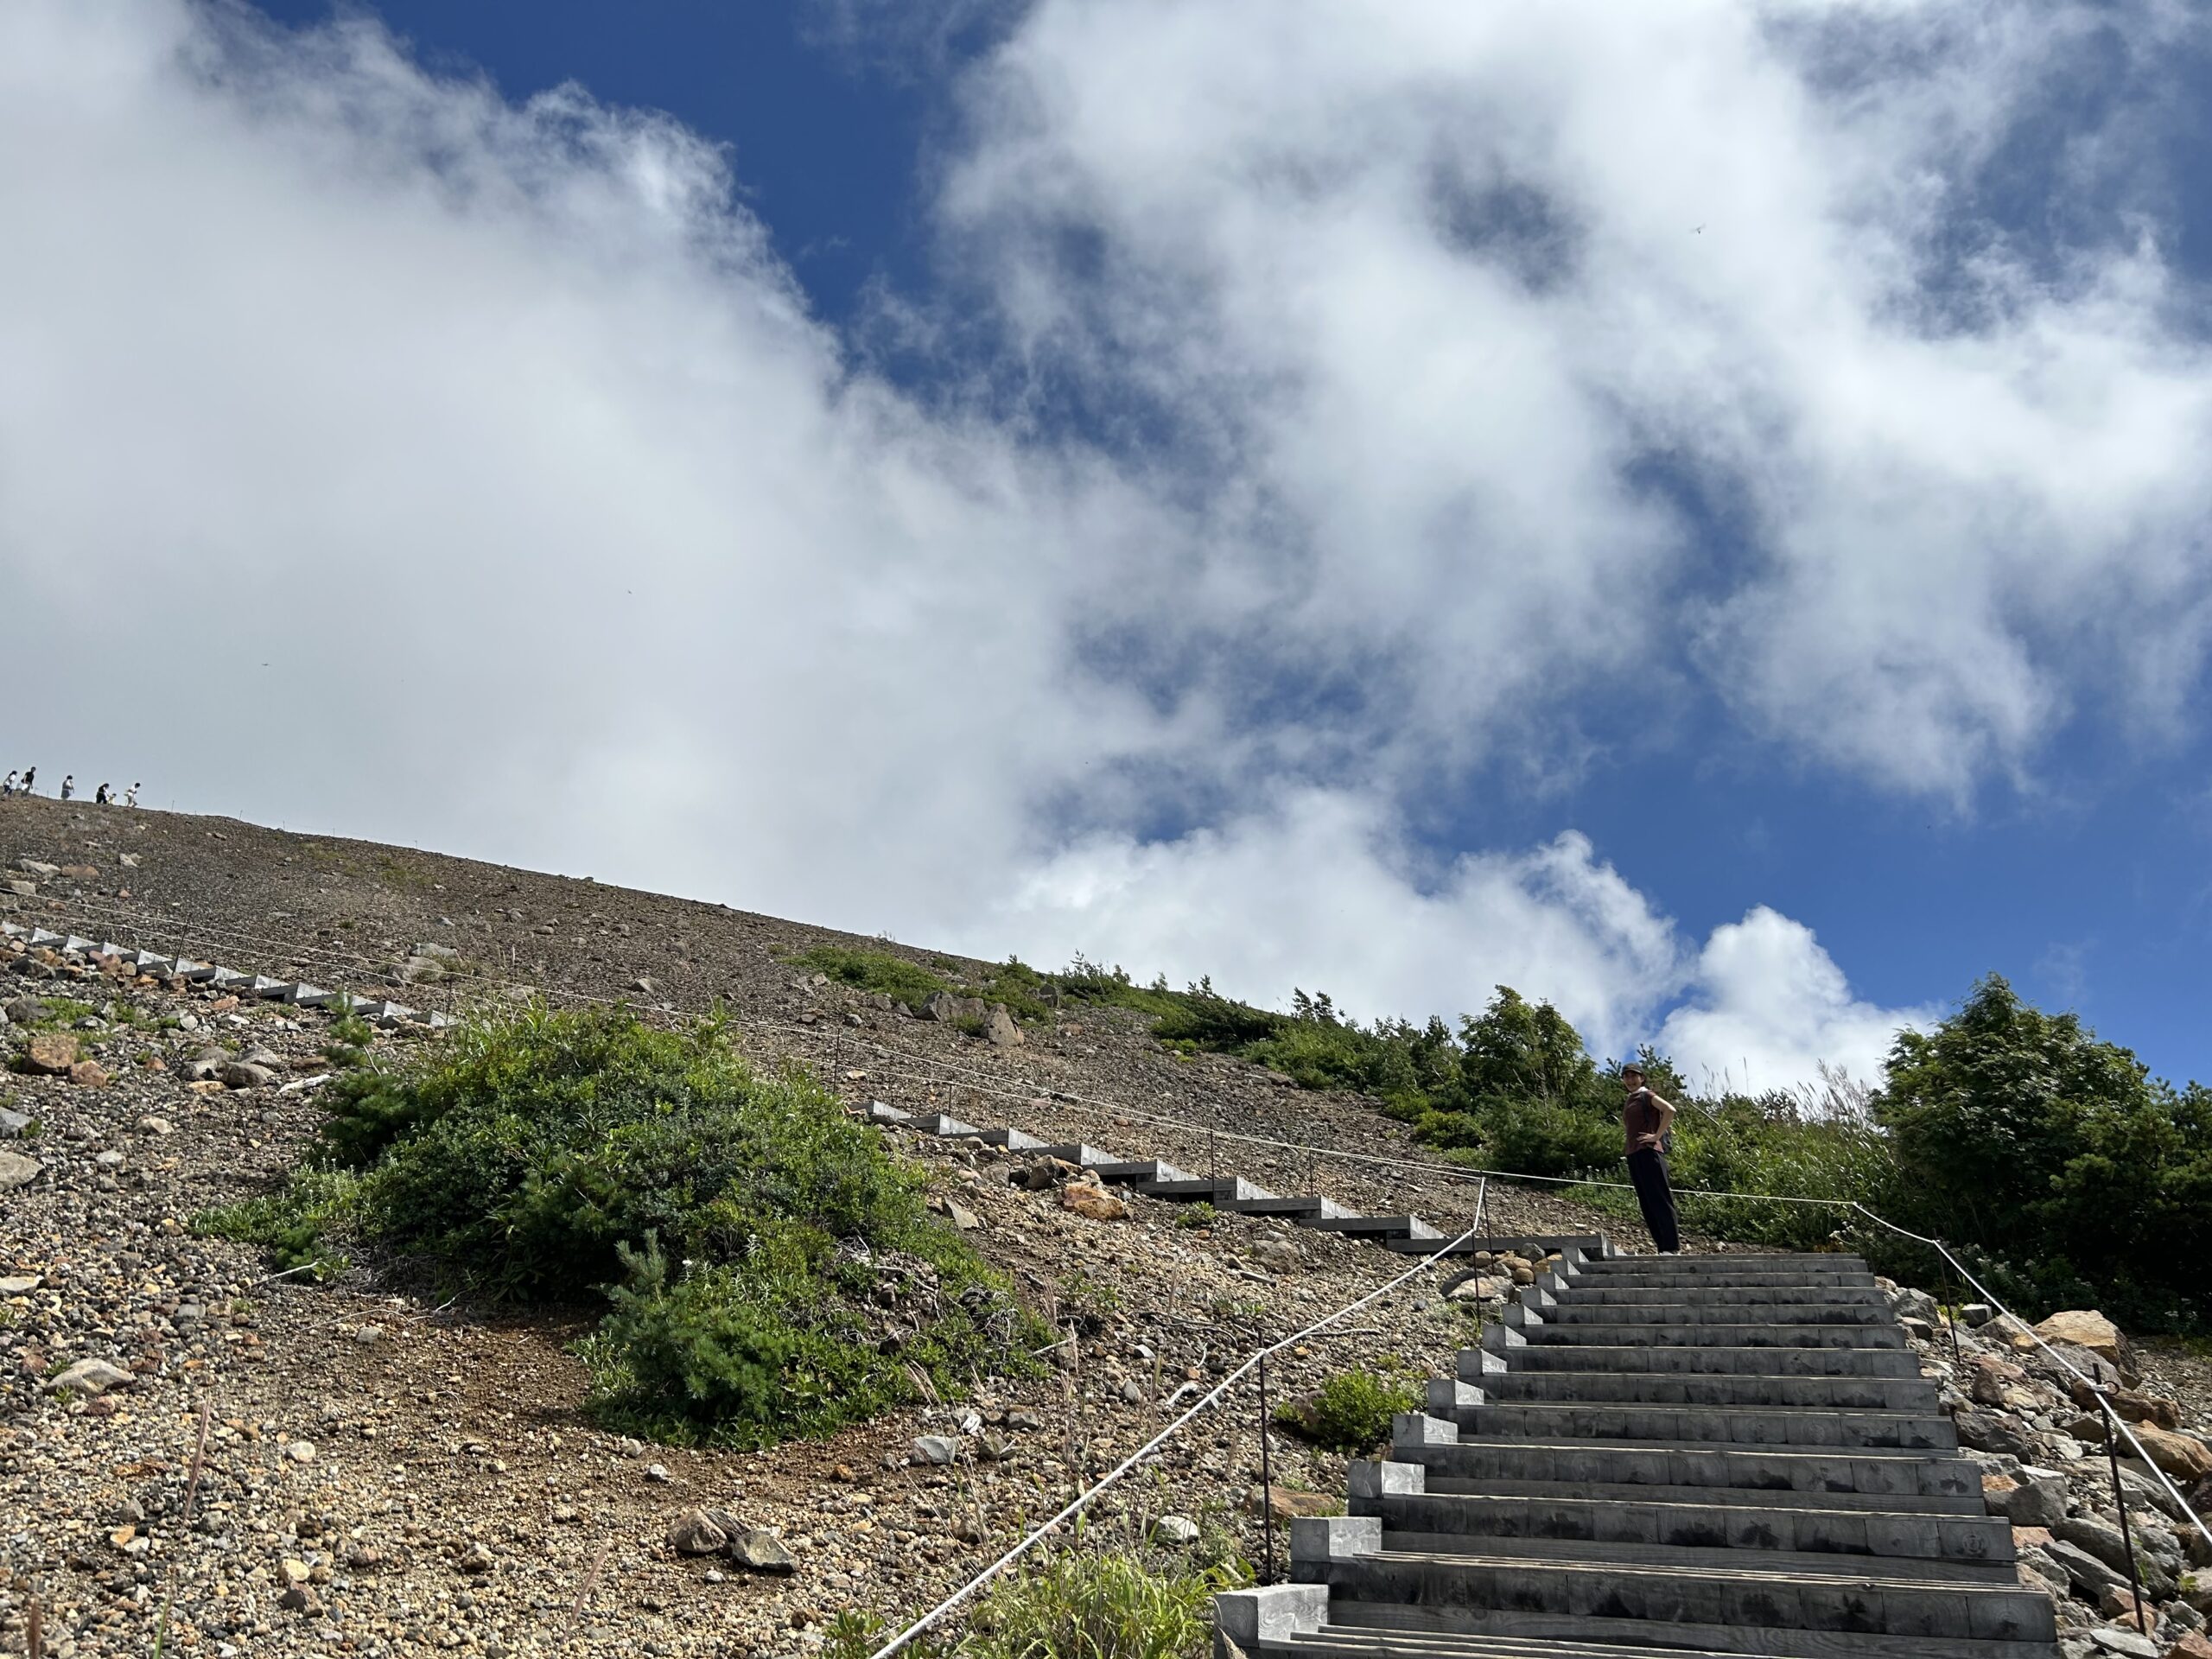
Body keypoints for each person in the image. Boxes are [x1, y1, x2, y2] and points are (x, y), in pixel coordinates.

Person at [1622, 1062, 1680, 1254]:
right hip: (1634, 1153)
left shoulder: (1646, 1095)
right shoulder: (1631, 1099)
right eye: (1627, 1076)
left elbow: (1669, 1110)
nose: (1630, 1080)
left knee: (1660, 1198)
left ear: (1642, 1078)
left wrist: (1656, 1136)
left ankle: (1671, 1247)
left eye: (1633, 1076)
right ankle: (1662, 1247)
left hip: (1650, 1151)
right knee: (1646, 1202)